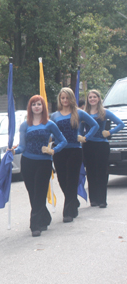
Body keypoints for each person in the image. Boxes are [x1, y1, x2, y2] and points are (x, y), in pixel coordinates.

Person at [11, 95, 67, 237]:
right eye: (34, 104)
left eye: (39, 104)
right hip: (28, 162)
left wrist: (53, 150)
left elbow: (63, 141)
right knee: (33, 193)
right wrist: (13, 151)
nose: (36, 106)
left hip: (44, 162)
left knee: (40, 192)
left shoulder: (49, 124)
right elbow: (22, 147)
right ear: (30, 107)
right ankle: (45, 217)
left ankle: (34, 225)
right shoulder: (25, 125)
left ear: (43, 107)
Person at [50, 87, 99, 223]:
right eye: (62, 98)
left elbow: (95, 125)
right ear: (60, 99)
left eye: (67, 98)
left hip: (75, 150)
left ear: (72, 99)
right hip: (59, 151)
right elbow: (51, 132)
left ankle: (68, 212)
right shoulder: (54, 116)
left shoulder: (79, 113)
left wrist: (85, 137)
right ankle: (73, 201)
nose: (65, 100)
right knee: (62, 180)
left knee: (72, 180)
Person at [79, 89, 125, 208]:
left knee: (102, 172)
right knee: (91, 171)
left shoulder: (104, 112)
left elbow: (121, 124)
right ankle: (93, 199)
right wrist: (80, 139)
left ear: (99, 99)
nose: (92, 99)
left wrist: (110, 132)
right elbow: (80, 130)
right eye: (90, 97)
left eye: (94, 97)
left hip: (102, 145)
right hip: (88, 145)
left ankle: (102, 200)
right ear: (88, 100)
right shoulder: (84, 114)